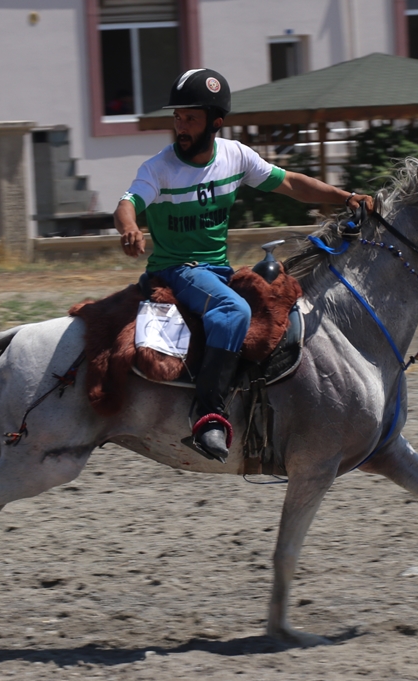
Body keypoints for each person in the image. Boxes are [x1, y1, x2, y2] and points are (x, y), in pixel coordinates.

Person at [114, 68, 372, 462]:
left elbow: (290, 184)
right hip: (177, 269)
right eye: (177, 118)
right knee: (233, 309)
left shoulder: (235, 156)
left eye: (190, 118)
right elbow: (128, 203)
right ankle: (208, 416)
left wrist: (345, 196)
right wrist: (129, 226)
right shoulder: (158, 168)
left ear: (216, 122)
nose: (180, 127)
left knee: (278, 294)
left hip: (216, 270)